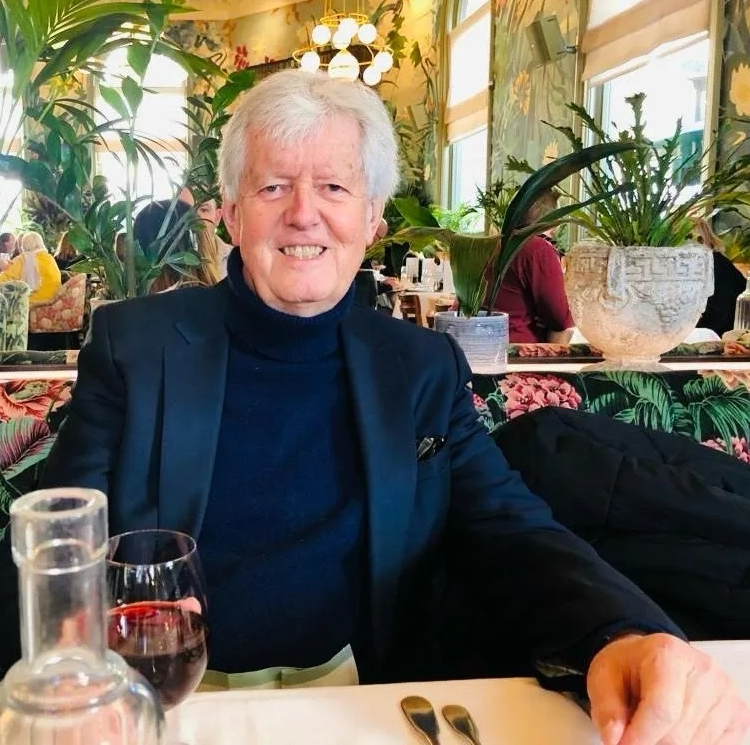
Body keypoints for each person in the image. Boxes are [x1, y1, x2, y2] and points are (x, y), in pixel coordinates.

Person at [41, 70, 749, 743]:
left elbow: (508, 528)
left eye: (335, 186)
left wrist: (620, 634)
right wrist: (82, 641)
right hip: (169, 706)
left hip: (370, 705)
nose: (303, 213)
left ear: (373, 217)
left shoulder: (419, 366)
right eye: (273, 185)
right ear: (230, 213)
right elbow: (52, 549)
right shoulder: (136, 346)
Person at [490, 188, 575, 343]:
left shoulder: (492, 243)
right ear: (553, 219)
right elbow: (560, 318)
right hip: (513, 347)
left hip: (477, 340)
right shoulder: (537, 249)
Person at [693, 218, 746, 337]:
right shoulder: (720, 262)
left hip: (716, 336)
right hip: (729, 335)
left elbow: (717, 315)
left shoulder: (711, 264)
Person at [0, 230, 62, 303]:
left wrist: (4, 269)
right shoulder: (50, 258)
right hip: (54, 301)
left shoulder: (22, 259)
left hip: (34, 303)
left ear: (24, 245)